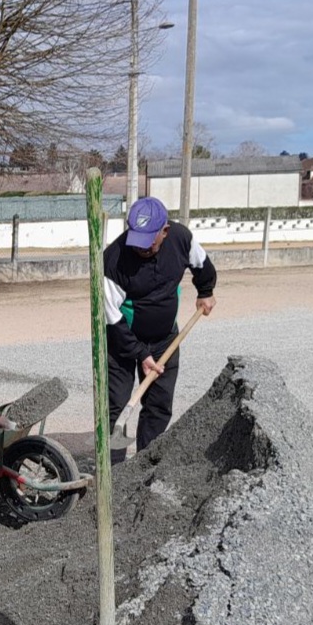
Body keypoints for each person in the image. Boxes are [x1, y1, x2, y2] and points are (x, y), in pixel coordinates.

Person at [103, 196, 217, 464]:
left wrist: (206, 291)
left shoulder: (180, 238)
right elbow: (112, 316)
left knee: (158, 405)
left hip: (166, 339)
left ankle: (146, 464)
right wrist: (141, 354)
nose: (141, 249)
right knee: (117, 407)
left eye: (148, 242)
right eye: (136, 240)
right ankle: (115, 472)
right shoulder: (113, 259)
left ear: (164, 231)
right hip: (123, 341)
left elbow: (202, 265)